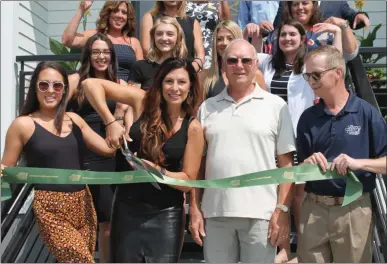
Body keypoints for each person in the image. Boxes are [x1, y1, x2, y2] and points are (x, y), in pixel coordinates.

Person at [81, 58, 205, 262]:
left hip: (166, 214)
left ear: (190, 86)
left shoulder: (193, 127)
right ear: (160, 83)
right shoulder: (143, 101)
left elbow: (187, 181)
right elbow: (90, 84)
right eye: (169, 81)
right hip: (126, 208)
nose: (175, 88)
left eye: (181, 82)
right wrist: (110, 121)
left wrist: (157, 171)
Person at [189, 39, 296, 263]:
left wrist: (282, 209)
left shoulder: (276, 106)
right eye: (232, 60)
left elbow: (287, 165)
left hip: (262, 215)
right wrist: (195, 209)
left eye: (246, 60)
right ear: (224, 65)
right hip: (215, 213)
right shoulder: (207, 108)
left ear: (256, 64)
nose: (239, 65)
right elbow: (196, 165)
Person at [0, 62, 117, 263]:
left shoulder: (75, 119)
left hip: (84, 202)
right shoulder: (23, 125)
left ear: (64, 90)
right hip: (50, 207)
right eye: (44, 85)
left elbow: (109, 150)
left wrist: (114, 123)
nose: (51, 91)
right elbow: (6, 170)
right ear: (35, 88)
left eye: (58, 86)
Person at [296, 45, 387, 263]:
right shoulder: (308, 117)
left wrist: (358, 163)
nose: (311, 81)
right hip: (314, 209)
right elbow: (298, 173)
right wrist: (307, 165)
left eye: (316, 74)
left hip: (353, 209)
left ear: (338, 73)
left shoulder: (366, 112)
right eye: (307, 76)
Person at [66, 33, 131, 263]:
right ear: (88, 55)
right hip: (81, 151)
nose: (101, 56)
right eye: (96, 52)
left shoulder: (120, 83)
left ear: (112, 55)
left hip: (111, 153)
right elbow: (58, 113)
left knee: (107, 223)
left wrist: (120, 116)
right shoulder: (76, 80)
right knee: (81, 220)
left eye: (105, 52)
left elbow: (128, 120)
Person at [62, 0, 143, 81]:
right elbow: (67, 40)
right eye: (115, 11)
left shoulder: (134, 42)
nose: (119, 15)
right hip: (98, 86)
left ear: (128, 18)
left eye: (124, 12)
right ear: (108, 13)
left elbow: (141, 72)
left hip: (125, 89)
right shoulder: (95, 35)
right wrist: (81, 9)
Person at [264, 1, 358, 61]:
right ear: (290, 8)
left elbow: (350, 54)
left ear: (313, 7)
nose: (300, 7)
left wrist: (343, 25)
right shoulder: (279, 34)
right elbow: (264, 61)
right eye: (295, 4)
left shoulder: (326, 31)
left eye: (305, 3)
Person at [204, 20, 266, 99]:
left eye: (230, 38)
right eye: (219, 39)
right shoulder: (206, 77)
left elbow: (265, 105)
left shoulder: (255, 75)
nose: (224, 43)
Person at [141, 1, 205, 73]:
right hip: (158, 73)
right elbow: (146, 49)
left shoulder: (192, 22)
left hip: (187, 75)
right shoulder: (150, 17)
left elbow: (200, 55)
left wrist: (188, 71)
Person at [129, 16, 188, 91]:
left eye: (170, 34)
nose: (164, 38)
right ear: (153, 38)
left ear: (178, 38)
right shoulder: (140, 67)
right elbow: (131, 99)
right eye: (159, 34)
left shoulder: (186, 67)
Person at [186, 0, 230, 69]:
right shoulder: (184, 4)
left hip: (210, 48)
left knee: (209, 76)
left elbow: (226, 23)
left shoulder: (216, 3)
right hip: (189, 46)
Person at [273, 1, 370, 31]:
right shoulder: (287, 2)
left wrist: (360, 16)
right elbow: (277, 29)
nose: (300, 7)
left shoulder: (337, 3)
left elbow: (353, 18)